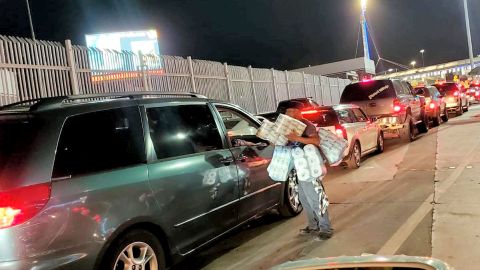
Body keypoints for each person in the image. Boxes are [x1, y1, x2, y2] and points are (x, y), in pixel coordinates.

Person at [283, 101, 333, 240]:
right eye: (286, 112)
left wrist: (296, 138)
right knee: (304, 199)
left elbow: (316, 141)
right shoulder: (288, 126)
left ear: (297, 112)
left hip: (311, 168)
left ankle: (325, 228)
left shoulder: (307, 125)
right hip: (298, 167)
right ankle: (313, 225)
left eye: (289, 111)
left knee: (315, 197)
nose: (287, 114)